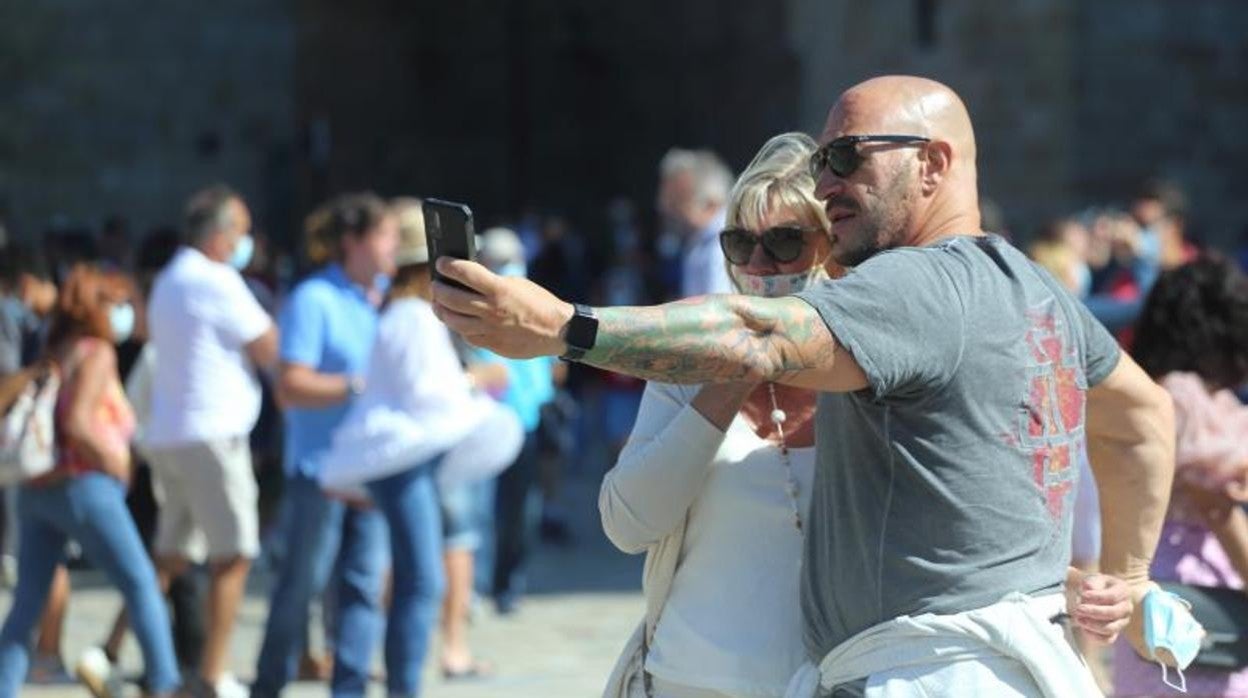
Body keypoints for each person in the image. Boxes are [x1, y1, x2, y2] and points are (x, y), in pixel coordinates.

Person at [430, 75, 1176, 696]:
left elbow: (762, 335)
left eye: (849, 158)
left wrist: (566, 327)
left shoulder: (907, 288)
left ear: (934, 164)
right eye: (823, 162)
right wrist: (1131, 575)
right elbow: (1142, 417)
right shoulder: (1030, 287)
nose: (829, 180)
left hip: (925, 678)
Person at [318, 199, 523, 695]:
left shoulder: (406, 313)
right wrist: (474, 383)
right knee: (419, 581)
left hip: (403, 457)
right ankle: (400, 688)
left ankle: (391, 685)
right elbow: (427, 396)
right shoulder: (412, 316)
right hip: (402, 460)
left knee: (409, 579)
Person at [0, 265, 182, 697]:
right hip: (85, 487)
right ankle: (165, 683)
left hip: (37, 488)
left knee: (26, 605)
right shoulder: (96, 352)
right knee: (141, 583)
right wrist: (115, 462)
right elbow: (78, 422)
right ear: (97, 306)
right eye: (117, 303)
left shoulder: (56, 346)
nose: (125, 313)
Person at [252, 192, 397, 698]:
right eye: (386, 235)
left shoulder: (385, 300)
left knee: (361, 590)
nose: (395, 246)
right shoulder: (314, 300)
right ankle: (269, 685)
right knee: (301, 588)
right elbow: (290, 387)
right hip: (319, 472)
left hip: (371, 469)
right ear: (354, 242)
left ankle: (350, 689)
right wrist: (359, 386)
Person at [139, 185, 278, 698]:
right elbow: (268, 347)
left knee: (168, 558)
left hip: (171, 432)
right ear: (221, 237)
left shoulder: (170, 277)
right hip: (213, 435)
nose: (246, 243)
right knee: (233, 556)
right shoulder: (217, 279)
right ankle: (212, 675)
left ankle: (108, 651)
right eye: (241, 232)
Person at [1113, 255, 1248, 697]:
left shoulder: (1153, 392)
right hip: (1199, 587)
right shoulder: (1188, 398)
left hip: (1155, 582)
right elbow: (1215, 502)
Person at [656, 148, 735, 298]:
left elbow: (717, 314)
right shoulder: (697, 242)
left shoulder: (723, 244)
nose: (663, 203)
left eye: (676, 197)